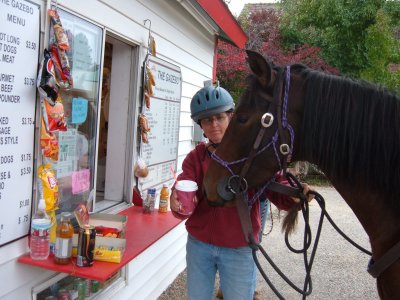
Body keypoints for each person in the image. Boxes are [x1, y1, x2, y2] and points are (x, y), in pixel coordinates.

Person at [170, 85, 313, 300]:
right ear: (201, 125)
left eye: (219, 117)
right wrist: (177, 200)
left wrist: (293, 195)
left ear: (231, 117)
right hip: (200, 245)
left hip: (238, 247)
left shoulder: (252, 155)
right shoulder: (196, 157)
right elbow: (185, 187)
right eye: (207, 120)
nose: (214, 125)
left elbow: (275, 184)